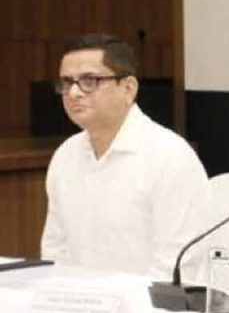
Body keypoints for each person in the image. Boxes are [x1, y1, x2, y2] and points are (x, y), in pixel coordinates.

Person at [40, 33, 211, 280]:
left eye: (90, 80)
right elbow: (56, 249)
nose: (74, 92)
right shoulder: (66, 155)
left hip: (148, 302)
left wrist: (124, 302)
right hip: (77, 300)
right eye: (67, 82)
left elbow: (177, 265)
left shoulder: (169, 156)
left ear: (128, 88)